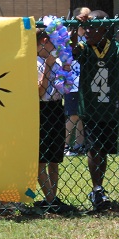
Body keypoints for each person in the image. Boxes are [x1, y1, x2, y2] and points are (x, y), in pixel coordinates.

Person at [73, 9, 119, 211]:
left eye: (92, 27)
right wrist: (74, 26)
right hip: (91, 109)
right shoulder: (85, 48)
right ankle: (96, 188)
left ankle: (99, 187)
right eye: (86, 27)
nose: (87, 31)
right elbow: (72, 48)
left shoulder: (116, 48)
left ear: (104, 29)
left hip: (109, 109)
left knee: (103, 150)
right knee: (94, 148)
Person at [35, 29, 77, 214]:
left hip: (56, 108)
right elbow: (39, 92)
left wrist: (66, 71)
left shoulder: (57, 61)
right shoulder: (35, 62)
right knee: (41, 160)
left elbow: (66, 88)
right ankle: (51, 199)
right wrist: (48, 67)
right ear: (45, 41)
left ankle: (51, 198)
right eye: (55, 43)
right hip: (41, 110)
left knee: (54, 158)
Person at [64, 7, 88, 156]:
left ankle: (79, 145)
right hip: (72, 82)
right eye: (84, 17)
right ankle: (64, 145)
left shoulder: (89, 38)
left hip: (84, 83)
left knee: (80, 115)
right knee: (73, 115)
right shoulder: (68, 37)